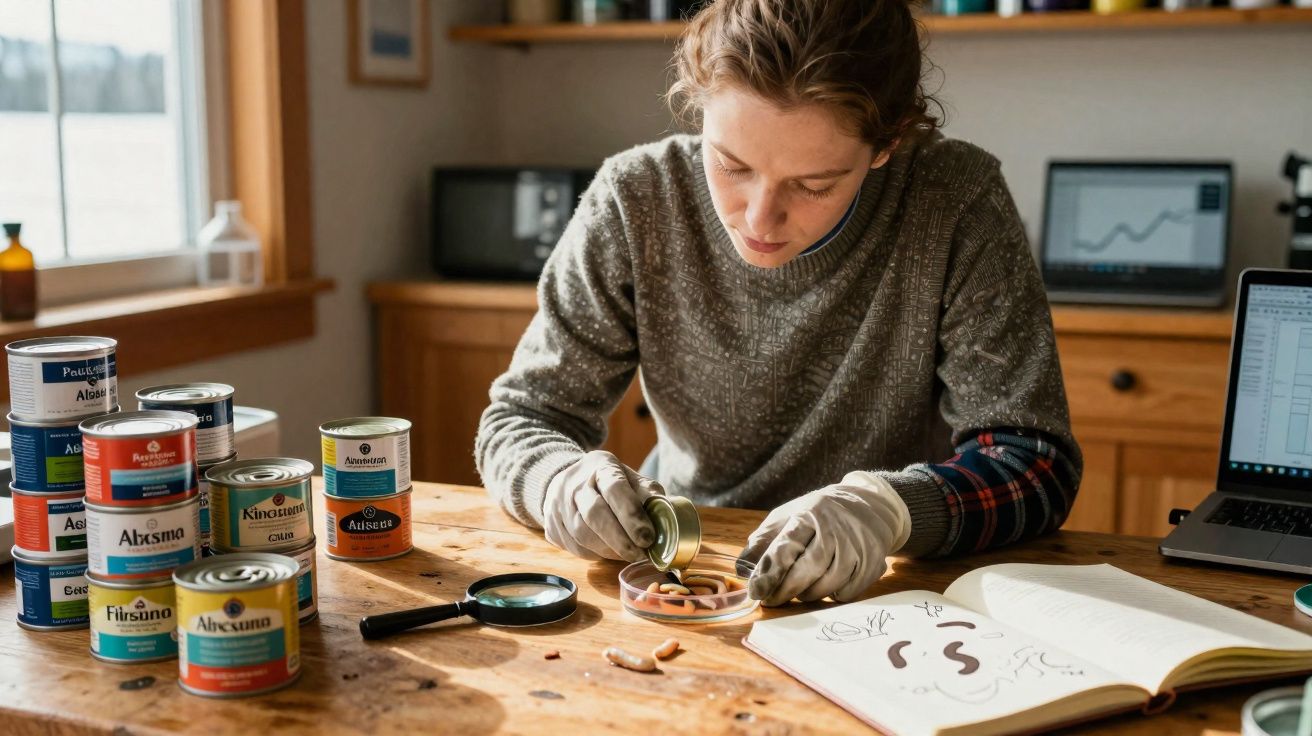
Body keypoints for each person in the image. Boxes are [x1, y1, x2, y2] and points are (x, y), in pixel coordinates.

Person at [475, 0, 1082, 607]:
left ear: (887, 144)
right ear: (698, 108)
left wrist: (890, 510)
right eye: (731, 166)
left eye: (813, 184)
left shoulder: (955, 201)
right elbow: (522, 419)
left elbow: (1033, 464)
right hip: (695, 566)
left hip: (890, 586)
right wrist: (559, 480)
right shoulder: (636, 200)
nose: (760, 219)